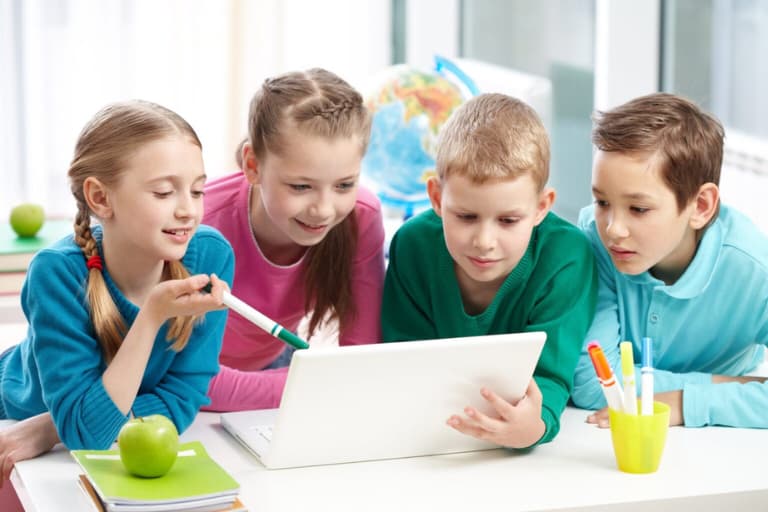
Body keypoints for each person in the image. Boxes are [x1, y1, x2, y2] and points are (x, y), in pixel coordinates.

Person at [0, 100, 233, 482]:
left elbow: (181, 399)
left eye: (197, 191)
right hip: (12, 410)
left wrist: (53, 427)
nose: (188, 211)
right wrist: (152, 315)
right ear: (100, 198)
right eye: (163, 193)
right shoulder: (57, 273)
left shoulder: (211, 255)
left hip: (54, 425)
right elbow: (89, 437)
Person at [381, 93, 598, 449]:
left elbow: (550, 375)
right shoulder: (413, 245)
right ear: (436, 198)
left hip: (518, 449)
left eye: (508, 220)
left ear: (542, 207)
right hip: (426, 439)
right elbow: (403, 358)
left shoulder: (567, 257)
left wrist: (535, 427)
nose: (484, 241)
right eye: (465, 216)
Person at [570, 92, 768, 428]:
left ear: (701, 206)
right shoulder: (592, 239)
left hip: (720, 447)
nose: (613, 229)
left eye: (639, 209)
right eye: (602, 202)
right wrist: (735, 388)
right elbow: (594, 384)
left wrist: (683, 402)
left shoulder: (754, 270)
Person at [202, 68, 385, 411]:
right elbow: (188, 381)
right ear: (252, 165)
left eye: (345, 185)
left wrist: (322, 380)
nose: (323, 210)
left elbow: (361, 359)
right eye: (301, 187)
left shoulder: (362, 217)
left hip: (275, 373)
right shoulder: (199, 226)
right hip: (179, 386)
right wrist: (320, 382)